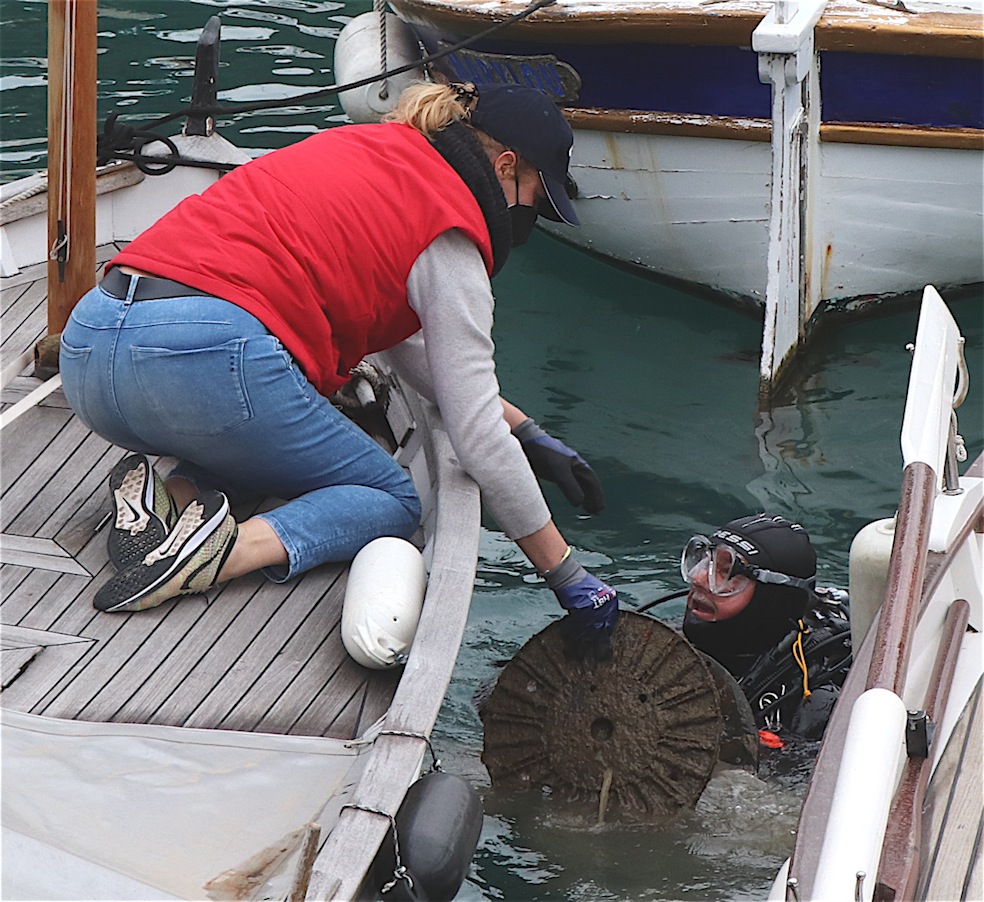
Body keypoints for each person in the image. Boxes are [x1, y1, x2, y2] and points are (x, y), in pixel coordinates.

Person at [58, 81, 618, 660]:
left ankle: (171, 496)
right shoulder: (450, 232)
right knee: (391, 499)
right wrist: (567, 576)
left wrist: (523, 428)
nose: (530, 215)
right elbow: (474, 437)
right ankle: (224, 550)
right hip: (205, 363)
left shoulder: (370, 149)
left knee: (270, 443)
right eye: (532, 193)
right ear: (504, 166)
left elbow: (405, 346)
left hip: (92, 349)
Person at [679, 514, 851, 740]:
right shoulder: (662, 644)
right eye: (704, 560)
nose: (699, 577)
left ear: (771, 599)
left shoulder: (814, 706)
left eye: (726, 572)